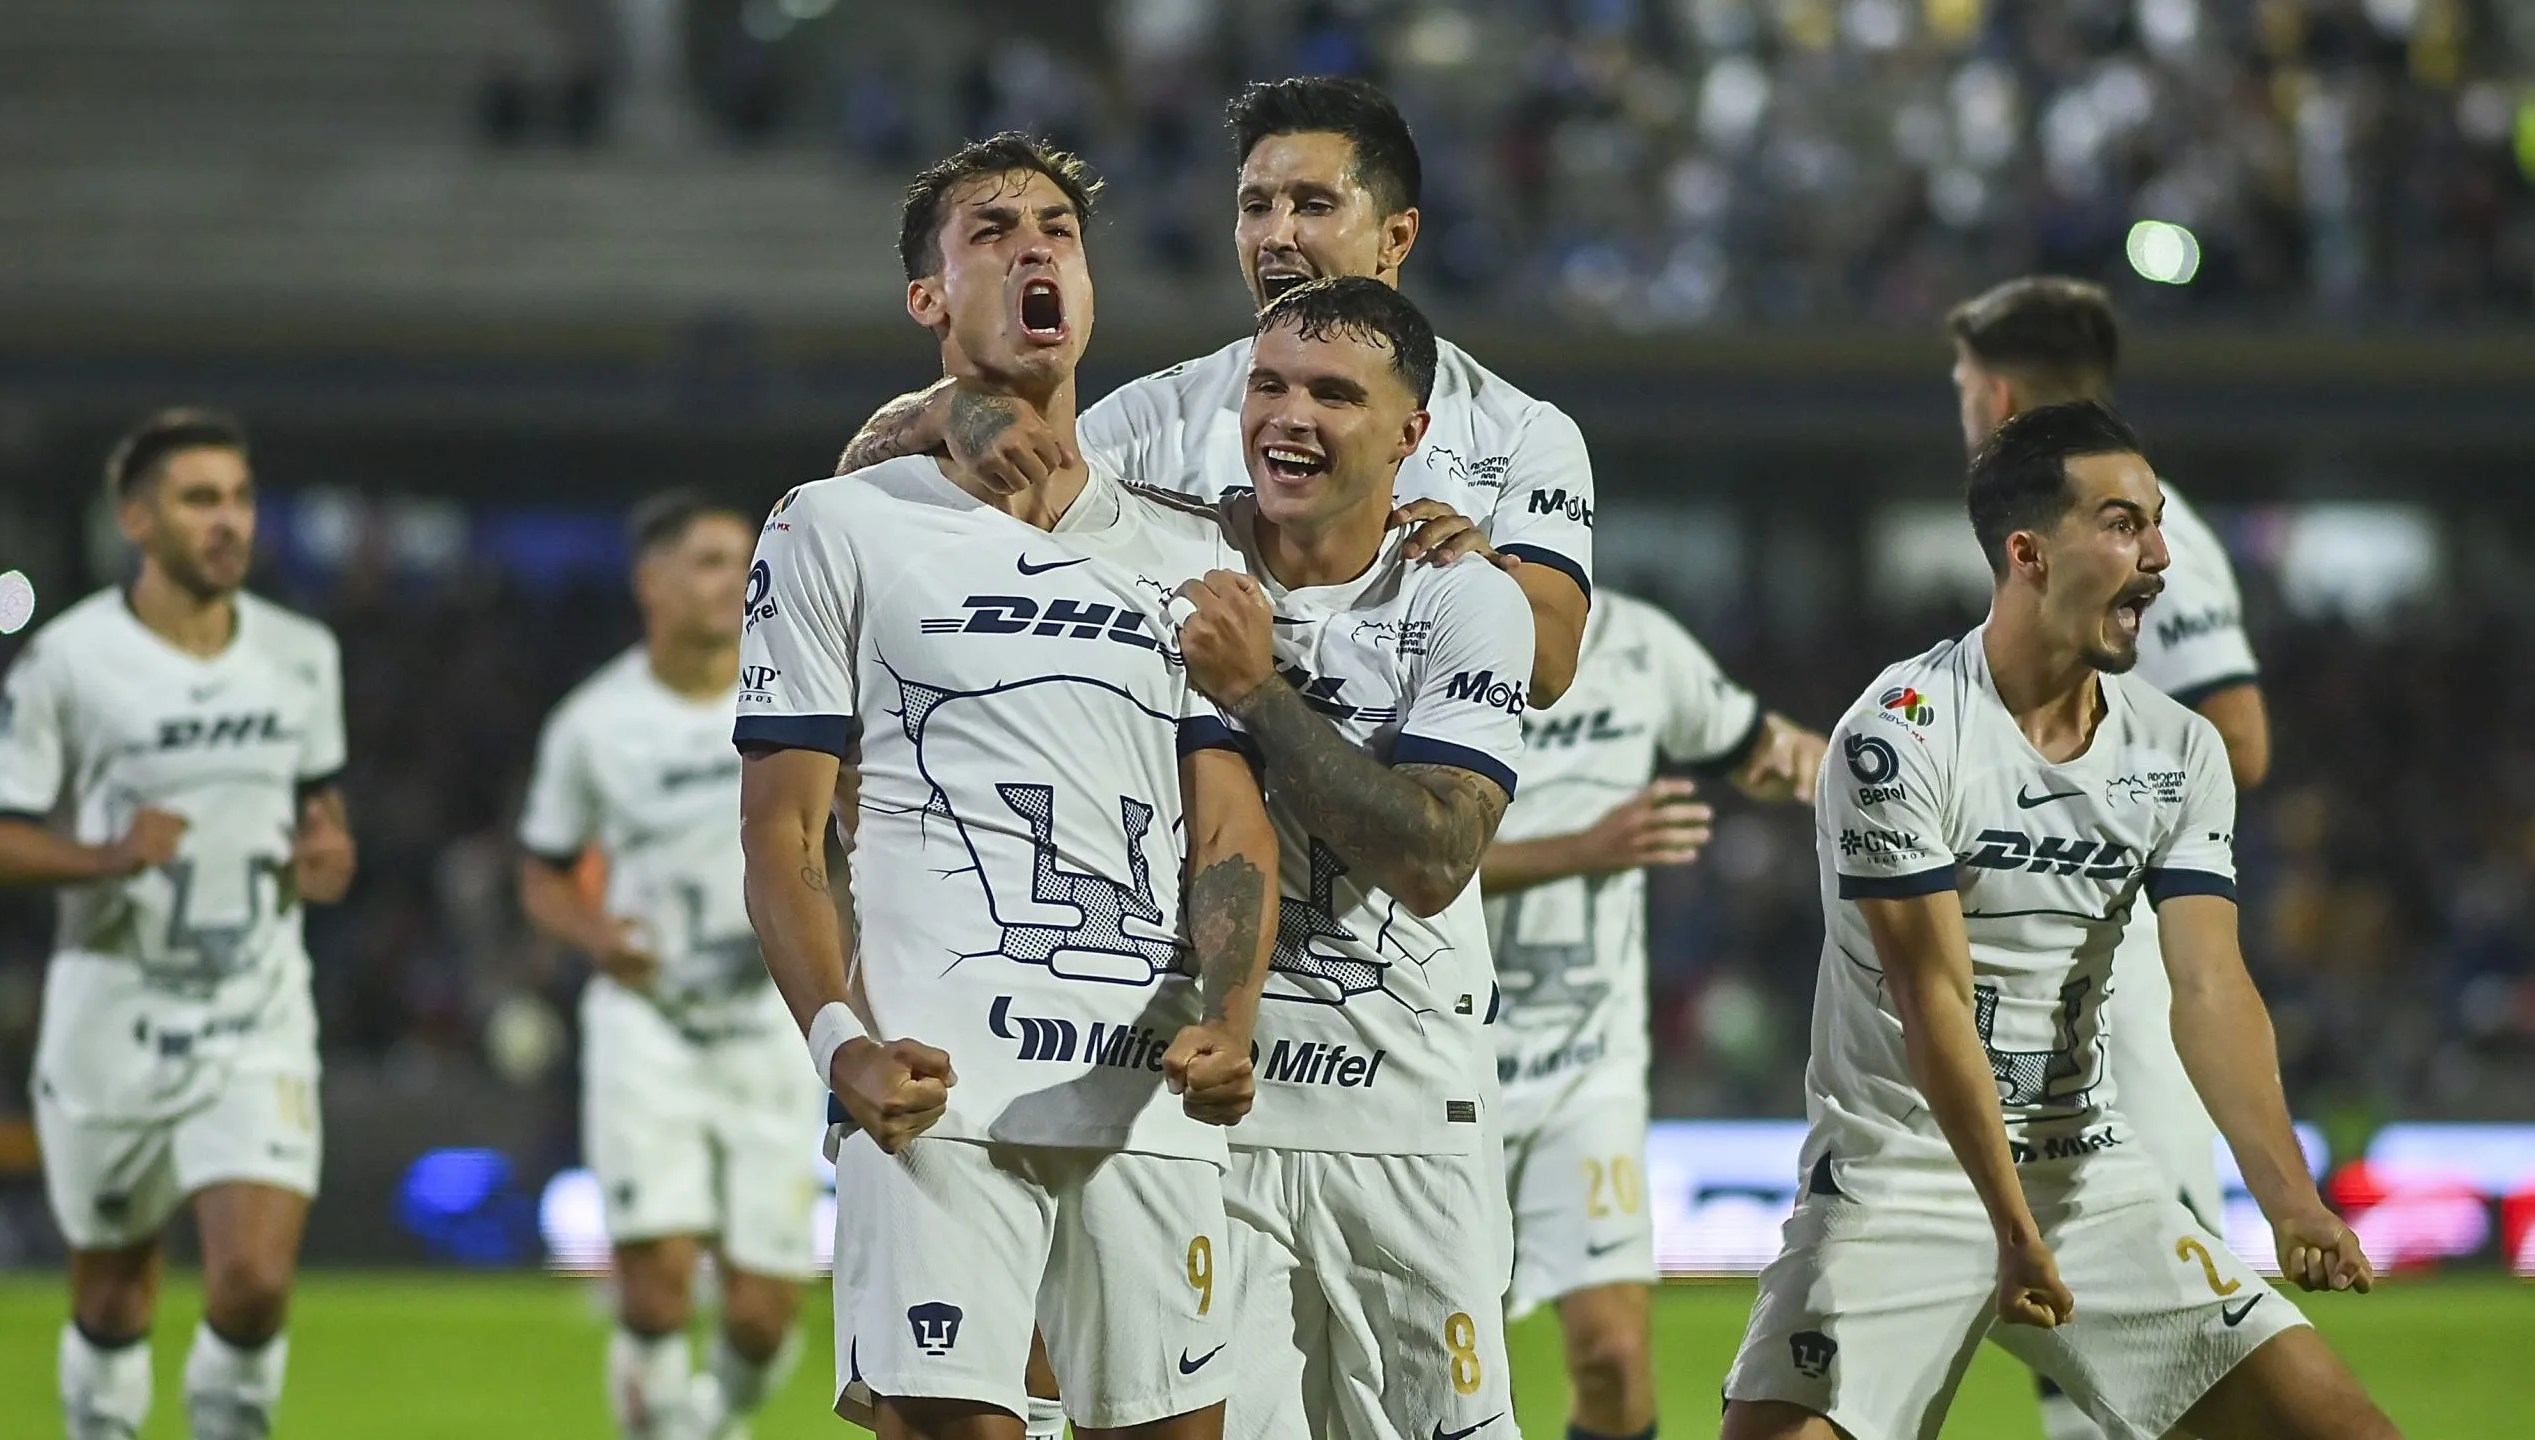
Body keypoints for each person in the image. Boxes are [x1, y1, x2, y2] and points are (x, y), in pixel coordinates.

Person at [734, 133, 1281, 1440]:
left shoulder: (1191, 549)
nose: (1035, 246)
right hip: (939, 1088)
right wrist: (837, 1044)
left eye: (1058, 230)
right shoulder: (837, 523)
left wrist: (1237, 1012)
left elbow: (1229, 822)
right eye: (990, 231)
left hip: (1143, 1086)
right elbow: (783, 826)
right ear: (928, 301)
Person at [1719, 402, 2397, 1440]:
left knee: (2341, 1427)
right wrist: (2006, 1227)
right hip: (1902, 1179)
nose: (2160, 556)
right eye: (2124, 524)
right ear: (2029, 553)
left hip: (2086, 1179)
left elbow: (2210, 987)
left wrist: (2291, 1201)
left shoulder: (2177, 750)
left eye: (2157, 523)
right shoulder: (1897, 738)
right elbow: (1931, 995)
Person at [837, 75, 1597, 709]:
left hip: (1395, 863)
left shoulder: (1519, 430)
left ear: (1396, 237)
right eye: (1255, 205)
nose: (1276, 234)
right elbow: (909, 536)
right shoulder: (1153, 416)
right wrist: (942, 406)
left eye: (1314, 205)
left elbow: (1551, 667)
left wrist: (1472, 578)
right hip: (1193, 857)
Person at [1171, 275, 1533, 1440]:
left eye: (1335, 394)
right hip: (1217, 1119)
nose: (1291, 416)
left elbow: (1436, 858)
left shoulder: (1464, 600)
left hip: (1410, 1122)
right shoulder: (1170, 559)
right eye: (1270, 385)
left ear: (1410, 434)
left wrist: (1257, 694)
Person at [0, 409, 354, 1440]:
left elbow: (321, 812)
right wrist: (102, 857)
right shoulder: (67, 661)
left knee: (251, 1281)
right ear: (136, 519)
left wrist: (329, 853)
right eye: (199, 500)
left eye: (238, 497)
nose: (228, 521)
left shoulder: (301, 655)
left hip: (254, 1012)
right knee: (111, 1298)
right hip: (113, 1019)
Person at [1947, 276, 2273, 1440]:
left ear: (1995, 392)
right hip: (2043, 950)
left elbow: (2237, 733)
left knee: (2156, 1278)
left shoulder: (2136, 537)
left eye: (1960, 389)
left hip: (2119, 953)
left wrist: (2068, 822)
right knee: (2063, 1279)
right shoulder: (2041, 545)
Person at [1479, 589, 1824, 1440]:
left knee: (1614, 1357)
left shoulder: (1637, 645)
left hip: (1583, 1070)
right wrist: (1589, 849)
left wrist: (1893, 771)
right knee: (1442, 1372)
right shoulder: (1430, 629)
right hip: (1439, 1065)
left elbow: (1765, 754)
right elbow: (1396, 855)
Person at [518, 491, 816, 1440]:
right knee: (652, 1285)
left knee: (764, 1314)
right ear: (652, 583)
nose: (736, 580)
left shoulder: (798, 692)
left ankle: (710, 1418)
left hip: (769, 1016)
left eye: (745, 561)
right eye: (711, 562)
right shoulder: (593, 724)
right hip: (647, 1019)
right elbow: (544, 870)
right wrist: (597, 935)